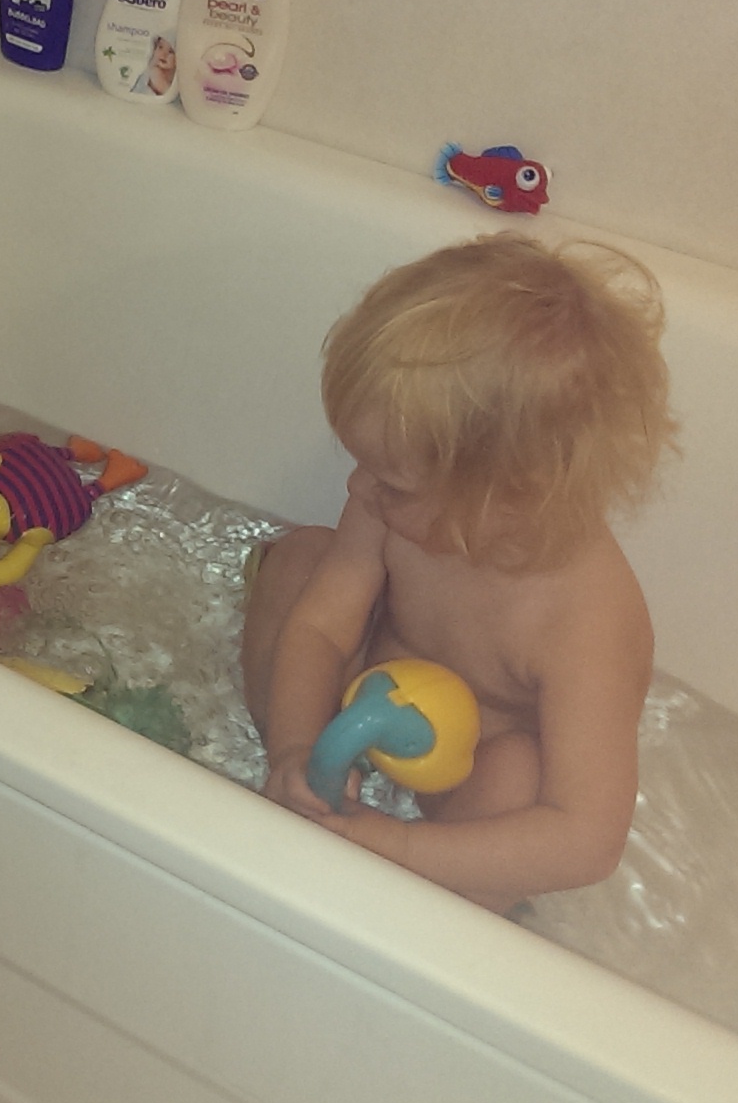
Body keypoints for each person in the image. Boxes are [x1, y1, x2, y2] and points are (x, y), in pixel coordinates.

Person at [238, 234, 675, 913]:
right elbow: (324, 627)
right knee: (300, 559)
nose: (358, 487)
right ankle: (290, 785)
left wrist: (400, 846)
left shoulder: (586, 618)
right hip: (364, 695)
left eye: (391, 482)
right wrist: (298, 747)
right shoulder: (390, 507)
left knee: (519, 779)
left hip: (466, 771)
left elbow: (587, 839)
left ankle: (428, 905)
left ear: (511, 493)